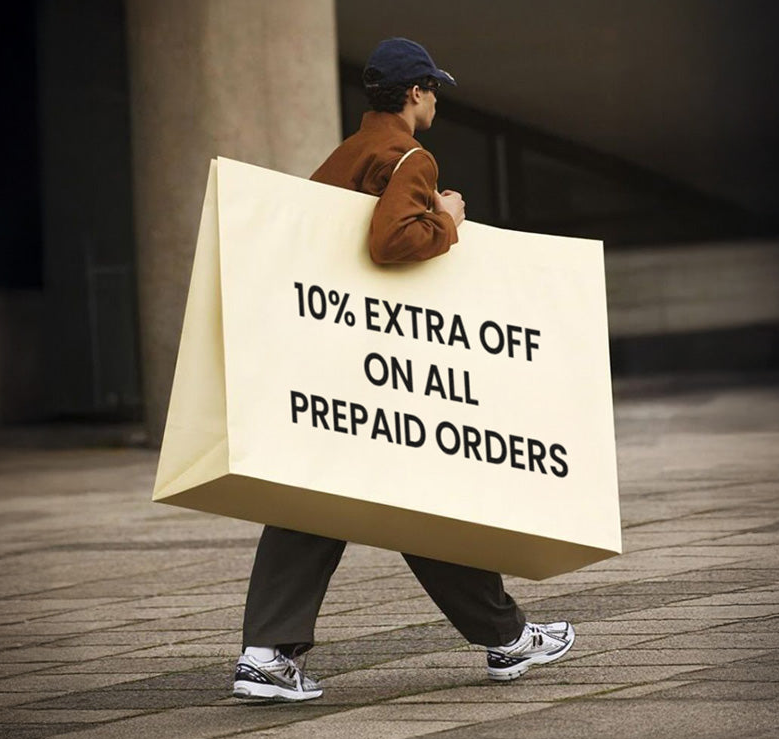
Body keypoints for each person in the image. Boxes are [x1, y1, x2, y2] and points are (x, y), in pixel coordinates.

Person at [232, 38, 575, 703]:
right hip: (373, 367)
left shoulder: (343, 156)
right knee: (393, 501)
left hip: (330, 356)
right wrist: (445, 218)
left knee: (366, 500)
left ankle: (501, 638)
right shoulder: (409, 157)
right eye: (433, 89)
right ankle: (271, 653)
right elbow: (390, 241)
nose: (437, 100)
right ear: (415, 93)